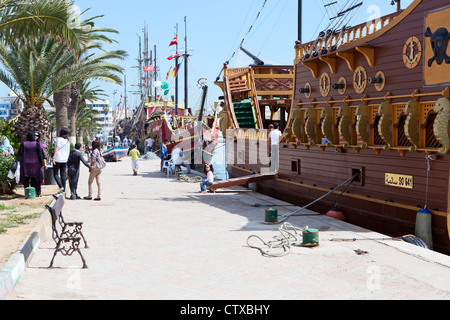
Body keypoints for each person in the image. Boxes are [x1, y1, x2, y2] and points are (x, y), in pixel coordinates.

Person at [18, 131, 45, 197]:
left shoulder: (23, 144)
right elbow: (40, 155)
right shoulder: (36, 144)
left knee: (26, 179)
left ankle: (27, 193)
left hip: (25, 164)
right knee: (35, 179)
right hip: (35, 164)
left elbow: (19, 154)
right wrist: (42, 164)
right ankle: (38, 193)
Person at [52, 128, 70, 193]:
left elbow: (57, 148)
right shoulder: (67, 141)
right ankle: (64, 189)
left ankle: (61, 186)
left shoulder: (59, 139)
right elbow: (68, 151)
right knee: (62, 174)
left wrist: (54, 157)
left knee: (55, 174)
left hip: (58, 158)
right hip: (64, 159)